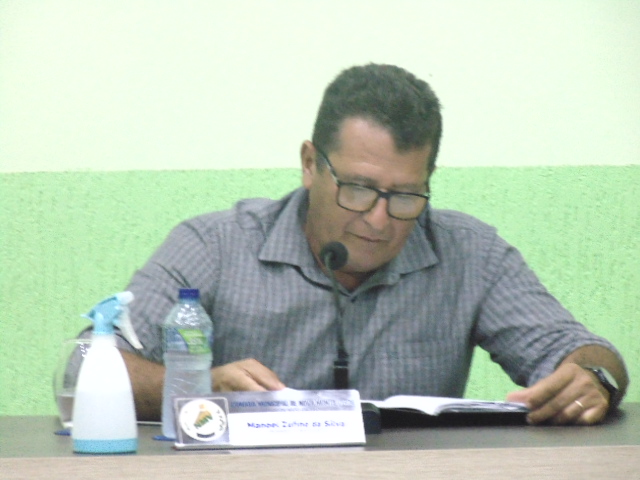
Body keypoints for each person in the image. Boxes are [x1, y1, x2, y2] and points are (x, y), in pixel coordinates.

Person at [83, 63, 628, 426]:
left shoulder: (470, 254)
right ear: (309, 164)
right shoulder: (215, 246)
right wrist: (198, 387)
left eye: (406, 195)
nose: (379, 218)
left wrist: (593, 380)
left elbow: (584, 353)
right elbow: (87, 366)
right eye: (359, 189)